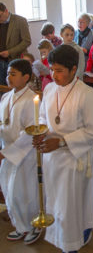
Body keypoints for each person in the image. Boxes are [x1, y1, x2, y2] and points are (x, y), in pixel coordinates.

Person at [33, 44, 93, 252]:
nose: (54, 75)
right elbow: (43, 116)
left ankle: (72, 242)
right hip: (52, 156)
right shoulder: (49, 89)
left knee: (70, 203)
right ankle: (65, 233)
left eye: (59, 70)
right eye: (52, 69)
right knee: (56, 201)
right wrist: (41, 131)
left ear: (74, 69)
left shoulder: (87, 95)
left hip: (75, 158)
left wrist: (62, 141)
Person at [0, 59, 41, 245]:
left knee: (24, 192)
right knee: (9, 190)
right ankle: (20, 225)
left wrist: (7, 152)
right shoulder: (6, 97)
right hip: (6, 152)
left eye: (13, 74)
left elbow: (30, 132)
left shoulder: (31, 99)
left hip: (24, 154)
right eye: (8, 73)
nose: (8, 77)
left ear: (26, 77)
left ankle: (33, 225)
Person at [0, 3, 31, 85]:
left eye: (0, 16)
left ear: (6, 11)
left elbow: (27, 41)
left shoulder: (20, 21)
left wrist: (9, 52)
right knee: (2, 87)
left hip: (15, 60)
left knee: (15, 86)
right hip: (1, 61)